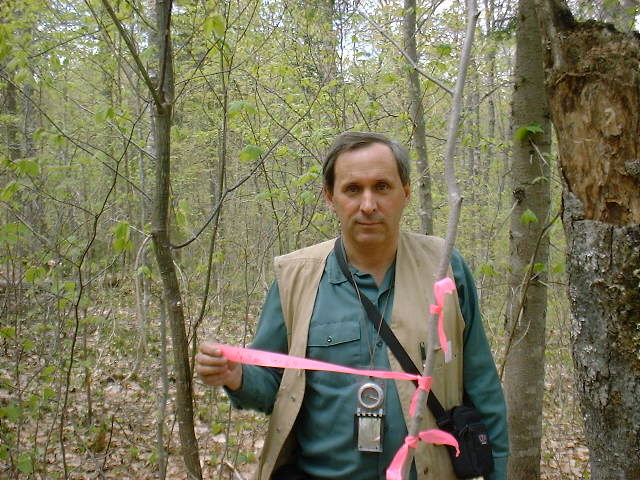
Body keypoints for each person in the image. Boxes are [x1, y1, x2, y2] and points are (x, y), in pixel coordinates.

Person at [196, 132, 508, 480]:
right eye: (353, 189)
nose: (369, 204)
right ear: (330, 197)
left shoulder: (446, 270)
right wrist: (236, 376)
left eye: (382, 186)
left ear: (405, 192)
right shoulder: (295, 278)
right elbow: (274, 388)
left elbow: (484, 391)